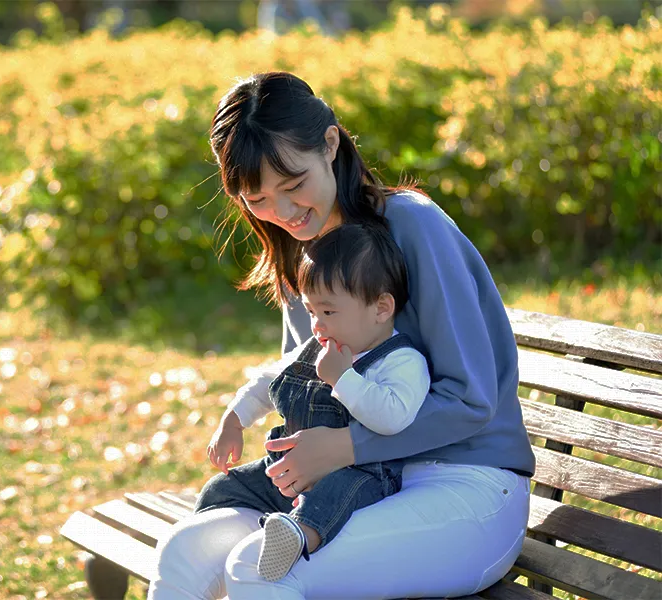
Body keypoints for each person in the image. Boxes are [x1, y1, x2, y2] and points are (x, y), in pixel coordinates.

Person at [147, 71, 535, 600]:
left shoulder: (412, 226)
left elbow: (472, 398)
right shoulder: (298, 258)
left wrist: (347, 446)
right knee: (185, 552)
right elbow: (308, 396)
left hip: (467, 482)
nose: (282, 213)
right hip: (350, 486)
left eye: (293, 185)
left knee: (261, 569)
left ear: (330, 143)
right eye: (256, 199)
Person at [196, 221, 430, 583]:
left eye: (329, 312)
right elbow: (267, 383)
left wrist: (342, 378)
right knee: (223, 487)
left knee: (336, 495)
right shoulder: (315, 347)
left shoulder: (401, 361)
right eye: (311, 312)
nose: (317, 325)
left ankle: (299, 535)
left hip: (359, 476)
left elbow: (393, 417)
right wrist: (233, 421)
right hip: (289, 471)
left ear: (381, 308)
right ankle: (206, 544)